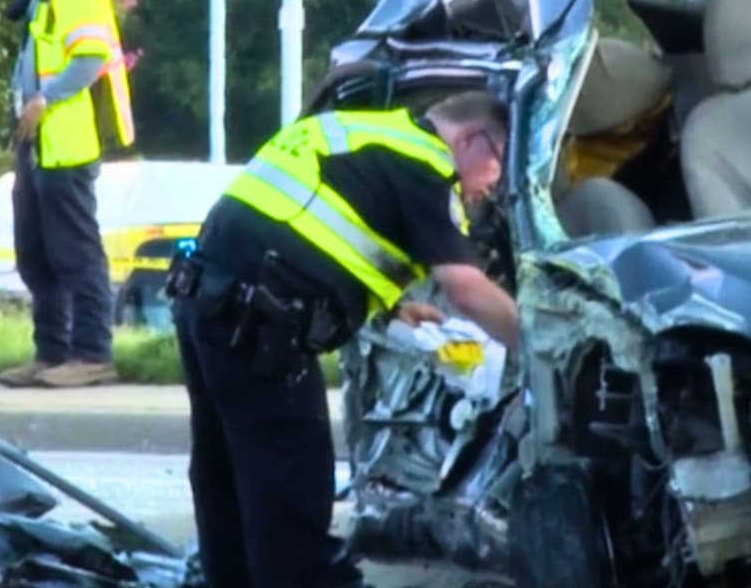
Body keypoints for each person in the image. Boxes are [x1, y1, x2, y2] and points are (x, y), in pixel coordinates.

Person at [167, 87, 521, 588]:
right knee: (289, 492)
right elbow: (465, 290)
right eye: (499, 164)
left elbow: (314, 223)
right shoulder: (427, 163)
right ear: (470, 140)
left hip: (206, 297)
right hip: (260, 318)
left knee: (225, 475)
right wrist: (535, 345)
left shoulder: (364, 133)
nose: (495, 185)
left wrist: (391, 307)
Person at [0, 0, 136, 389]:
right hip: (39, 145)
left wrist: (42, 98)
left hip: (68, 145)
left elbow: (90, 59)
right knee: (36, 252)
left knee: (76, 252)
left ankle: (92, 353)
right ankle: (51, 352)